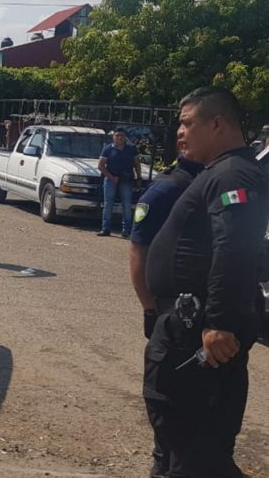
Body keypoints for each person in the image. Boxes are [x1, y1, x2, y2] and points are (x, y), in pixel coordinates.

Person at [142, 86, 268, 478]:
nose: (180, 132)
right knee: (180, 448)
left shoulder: (233, 174)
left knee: (197, 455)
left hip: (200, 334)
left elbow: (235, 247)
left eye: (187, 123)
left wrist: (219, 322)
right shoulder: (220, 171)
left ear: (217, 124)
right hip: (187, 329)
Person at [127, 151, 204, 477]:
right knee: (173, 436)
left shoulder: (210, 183)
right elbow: (138, 251)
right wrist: (150, 308)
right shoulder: (168, 189)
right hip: (174, 317)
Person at [98, 128, 142, 237]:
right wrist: (111, 177)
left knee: (127, 205)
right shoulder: (107, 149)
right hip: (110, 179)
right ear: (113, 137)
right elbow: (101, 166)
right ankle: (105, 229)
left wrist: (139, 177)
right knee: (108, 205)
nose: (119, 137)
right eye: (117, 135)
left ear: (125, 137)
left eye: (122, 135)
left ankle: (126, 230)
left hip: (127, 180)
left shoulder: (132, 149)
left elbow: (137, 164)